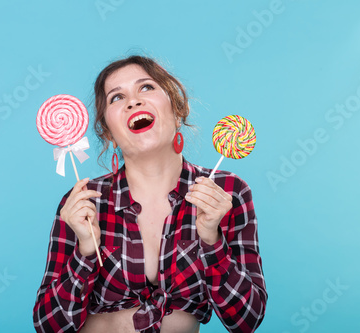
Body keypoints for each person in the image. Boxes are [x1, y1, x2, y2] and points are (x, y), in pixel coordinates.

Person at [33, 55, 267, 333]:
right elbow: (49, 326)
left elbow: (246, 320)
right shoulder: (85, 201)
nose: (133, 101)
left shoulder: (226, 192)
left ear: (178, 109)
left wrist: (212, 241)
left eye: (146, 87)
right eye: (116, 97)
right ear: (108, 132)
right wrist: (85, 252)